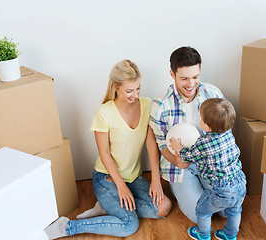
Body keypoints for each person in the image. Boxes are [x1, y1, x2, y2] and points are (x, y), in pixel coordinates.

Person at [45, 60, 172, 239]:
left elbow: (152, 144)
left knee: (164, 207)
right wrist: (120, 186)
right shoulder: (104, 112)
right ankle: (67, 227)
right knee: (129, 225)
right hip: (107, 177)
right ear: (116, 87)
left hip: (134, 177)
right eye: (129, 91)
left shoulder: (147, 105)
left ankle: (108, 207)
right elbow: (104, 154)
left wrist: (156, 181)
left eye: (138, 89)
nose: (134, 95)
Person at [149, 46, 226, 224]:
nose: (191, 84)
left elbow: (224, 133)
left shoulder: (213, 94)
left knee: (227, 211)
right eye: (184, 78)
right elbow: (161, 144)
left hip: (209, 161)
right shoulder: (160, 106)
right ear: (172, 74)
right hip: (180, 167)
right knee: (199, 216)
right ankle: (189, 190)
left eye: (195, 77)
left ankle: (205, 191)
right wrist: (178, 161)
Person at [169, 98, 246, 240]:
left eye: (202, 119)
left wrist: (176, 146)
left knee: (202, 210)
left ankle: (203, 235)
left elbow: (187, 155)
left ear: (208, 127)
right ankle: (230, 235)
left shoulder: (204, 143)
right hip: (240, 183)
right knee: (235, 211)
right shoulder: (228, 133)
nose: (200, 120)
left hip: (220, 189)